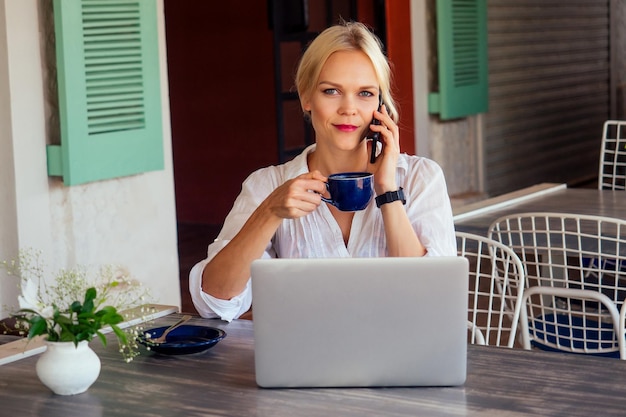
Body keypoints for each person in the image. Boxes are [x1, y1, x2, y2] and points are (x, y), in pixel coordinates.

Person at [189, 21, 456, 321]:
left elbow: (433, 302)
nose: (349, 108)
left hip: (406, 365)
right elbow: (215, 302)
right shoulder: (268, 186)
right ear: (306, 96)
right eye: (331, 91)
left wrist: (388, 191)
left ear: (380, 104)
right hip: (301, 366)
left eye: (365, 93)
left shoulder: (421, 178)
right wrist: (268, 213)